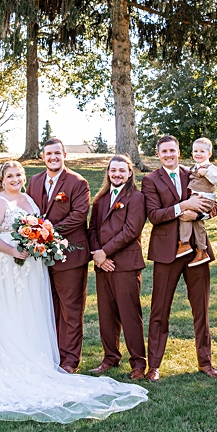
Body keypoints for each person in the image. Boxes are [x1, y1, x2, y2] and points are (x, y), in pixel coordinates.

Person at [0, 160, 148, 422]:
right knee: (7, 311)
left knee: (28, 312)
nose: (15, 179)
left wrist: (38, 242)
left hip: (30, 266)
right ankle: (6, 362)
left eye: (18, 174)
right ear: (1, 179)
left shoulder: (29, 200)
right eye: (9, 175)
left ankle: (34, 358)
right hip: (6, 265)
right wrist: (12, 250)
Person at [142, 135, 217, 381]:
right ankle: (153, 365)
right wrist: (182, 207)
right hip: (167, 252)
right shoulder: (150, 180)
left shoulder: (195, 172)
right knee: (159, 309)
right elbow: (154, 215)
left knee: (201, 308)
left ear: (178, 151)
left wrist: (196, 217)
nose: (169, 154)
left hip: (197, 250)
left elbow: (214, 206)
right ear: (158, 154)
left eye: (172, 150)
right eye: (164, 151)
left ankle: (205, 363)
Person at [25, 138, 92, 374]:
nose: (53, 158)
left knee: (71, 309)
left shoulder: (77, 182)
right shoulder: (33, 181)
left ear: (64, 154)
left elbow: (79, 215)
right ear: (42, 157)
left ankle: (70, 359)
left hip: (70, 255)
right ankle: (52, 354)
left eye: (57, 153)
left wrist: (49, 231)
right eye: (48, 154)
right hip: (41, 257)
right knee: (48, 307)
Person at [86, 155, 148, 379]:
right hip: (103, 265)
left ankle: (138, 363)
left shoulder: (137, 198)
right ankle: (110, 357)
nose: (117, 174)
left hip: (125, 265)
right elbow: (91, 229)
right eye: (113, 170)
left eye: (122, 170)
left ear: (130, 173)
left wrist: (106, 252)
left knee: (130, 314)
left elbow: (131, 231)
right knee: (106, 314)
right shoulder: (101, 198)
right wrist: (98, 255)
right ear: (108, 172)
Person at [179, 137, 217, 266]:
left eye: (202, 151)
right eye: (195, 151)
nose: (198, 154)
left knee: (185, 214)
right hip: (196, 198)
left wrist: (207, 173)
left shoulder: (211, 168)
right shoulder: (194, 167)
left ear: (209, 154)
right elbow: (189, 171)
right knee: (198, 224)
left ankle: (185, 243)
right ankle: (201, 250)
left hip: (204, 199)